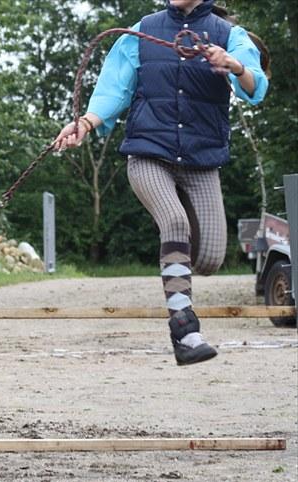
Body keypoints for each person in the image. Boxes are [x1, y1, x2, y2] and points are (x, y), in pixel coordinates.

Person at [54, 0, 269, 365]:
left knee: (211, 259)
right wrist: (86, 123)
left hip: (202, 160)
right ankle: (185, 330)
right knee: (175, 222)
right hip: (148, 154)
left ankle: (180, 296)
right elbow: (114, 90)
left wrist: (233, 65)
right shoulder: (142, 30)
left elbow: (255, 85)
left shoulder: (228, 35)